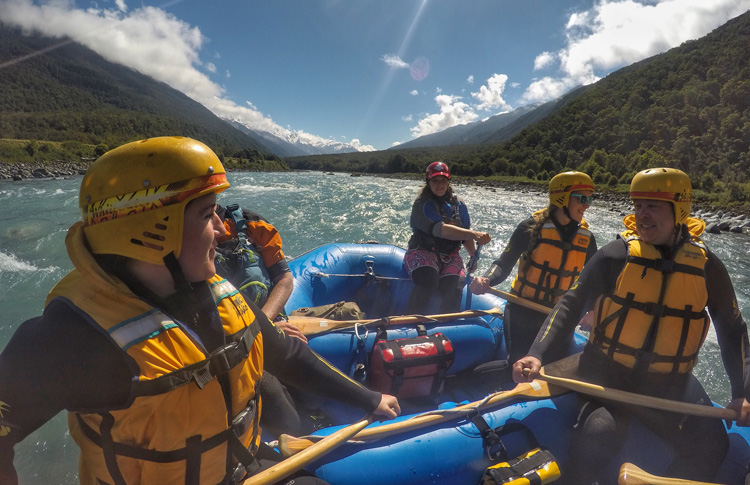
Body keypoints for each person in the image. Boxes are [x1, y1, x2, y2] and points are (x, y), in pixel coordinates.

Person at [0, 136, 400, 485]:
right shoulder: (73, 335)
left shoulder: (220, 294)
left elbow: (285, 355)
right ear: (153, 229)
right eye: (207, 215)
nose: (223, 231)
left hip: (241, 469)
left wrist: (368, 399)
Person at [513, 167, 750, 484]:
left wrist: (741, 391)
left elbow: (732, 330)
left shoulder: (707, 267)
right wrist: (537, 353)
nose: (642, 214)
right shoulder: (616, 256)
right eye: (638, 205)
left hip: (670, 384)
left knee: (712, 444)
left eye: (652, 206)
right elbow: (571, 304)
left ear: (679, 210)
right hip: (608, 375)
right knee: (599, 432)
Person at [469, 171, 597, 364]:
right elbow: (503, 264)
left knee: (549, 367)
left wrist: (592, 309)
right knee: (517, 364)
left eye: (589, 199)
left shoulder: (587, 239)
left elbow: (595, 282)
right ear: (562, 197)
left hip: (557, 317)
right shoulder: (529, 228)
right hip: (522, 310)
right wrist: (486, 279)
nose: (586, 205)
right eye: (581, 198)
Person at [404, 161, 491, 315]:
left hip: (450, 256)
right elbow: (441, 229)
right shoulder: (422, 204)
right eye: (435, 181)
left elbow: (464, 233)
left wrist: (473, 256)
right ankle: (411, 320)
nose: (439, 185)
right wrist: (474, 234)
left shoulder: (459, 205)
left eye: (443, 181)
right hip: (423, 251)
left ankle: (448, 325)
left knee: (455, 287)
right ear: (428, 182)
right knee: (429, 282)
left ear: (448, 182)